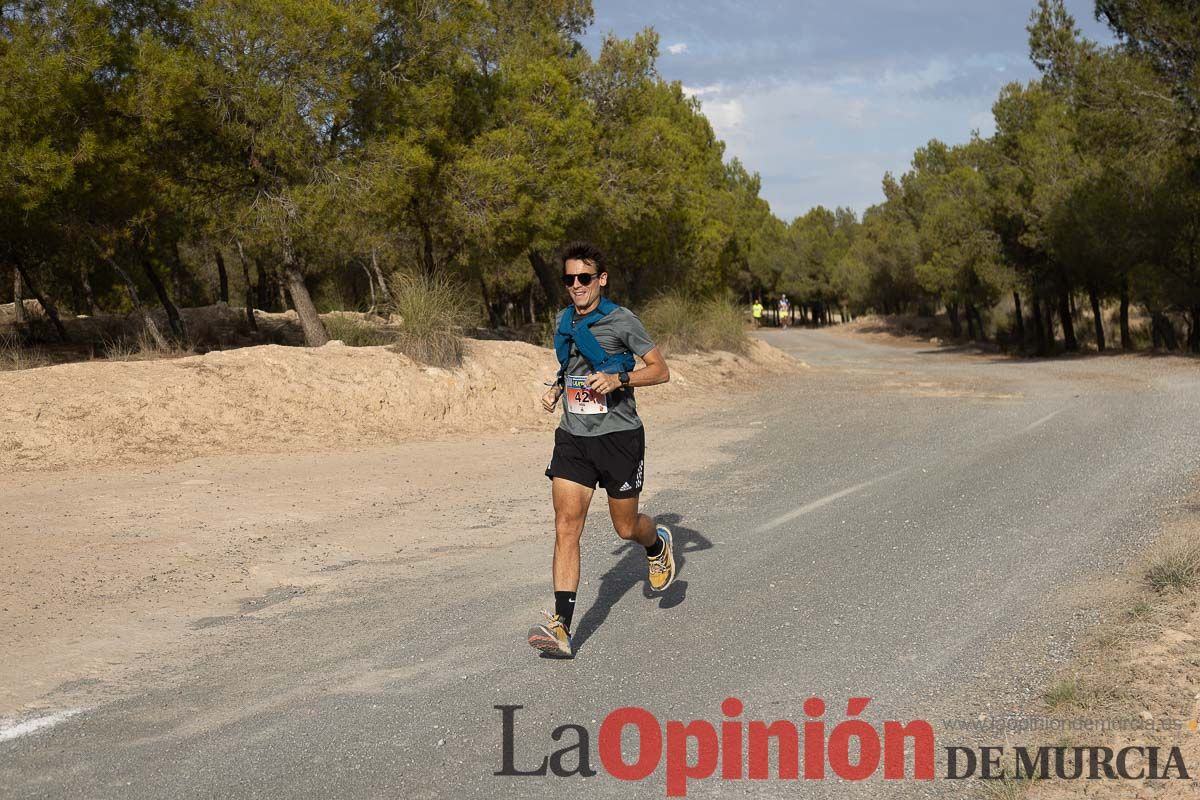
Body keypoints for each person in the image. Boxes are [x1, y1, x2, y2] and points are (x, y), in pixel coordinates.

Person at [528, 241, 674, 659]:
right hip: (574, 436)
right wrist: (558, 388)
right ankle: (561, 626)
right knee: (566, 525)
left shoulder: (621, 320)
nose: (576, 285)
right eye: (569, 278)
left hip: (618, 437)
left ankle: (656, 544)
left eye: (584, 278)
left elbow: (660, 371)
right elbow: (571, 367)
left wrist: (620, 379)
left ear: (601, 280)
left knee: (626, 527)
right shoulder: (564, 320)